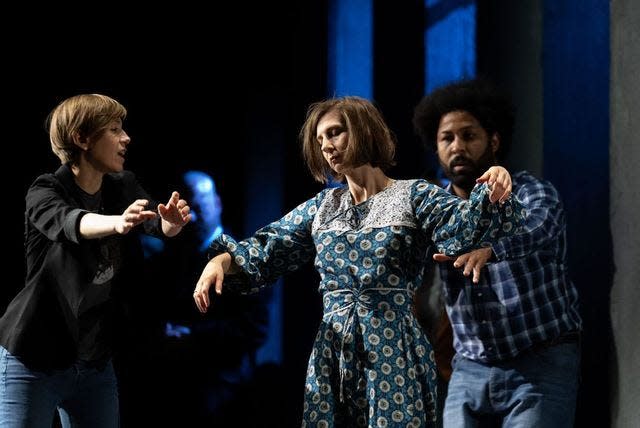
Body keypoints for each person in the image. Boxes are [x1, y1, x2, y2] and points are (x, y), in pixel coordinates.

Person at [193, 96, 524, 427]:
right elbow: (269, 247)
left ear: (363, 131)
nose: (327, 146)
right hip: (333, 350)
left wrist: (495, 182)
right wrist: (222, 260)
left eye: (335, 133)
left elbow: (468, 227)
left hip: (393, 346)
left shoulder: (413, 195)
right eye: (320, 140)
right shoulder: (322, 207)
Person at [0, 94, 191, 428]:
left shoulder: (123, 185)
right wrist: (116, 223)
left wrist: (170, 225)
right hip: (33, 359)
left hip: (93, 365)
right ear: (82, 138)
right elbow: (69, 222)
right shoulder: (46, 190)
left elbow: (153, 222)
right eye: (115, 129)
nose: (126, 138)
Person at [413, 78, 582, 427]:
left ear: (493, 140)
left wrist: (492, 249)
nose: (457, 146)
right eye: (447, 138)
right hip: (471, 366)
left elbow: (540, 227)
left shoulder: (532, 192)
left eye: (468, 136)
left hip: (540, 360)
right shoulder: (433, 210)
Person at [130, 170, 268, 425]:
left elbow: (254, 329)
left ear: (217, 203)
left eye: (199, 205)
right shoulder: (169, 259)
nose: (192, 215)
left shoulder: (244, 260)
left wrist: (191, 336)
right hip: (173, 389)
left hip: (223, 391)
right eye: (186, 207)